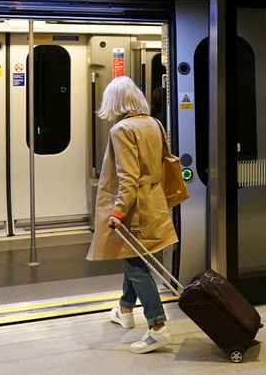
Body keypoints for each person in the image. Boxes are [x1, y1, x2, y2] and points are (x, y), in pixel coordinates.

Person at [86, 76, 178, 354]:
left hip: (134, 206)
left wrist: (117, 212)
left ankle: (158, 327)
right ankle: (125, 310)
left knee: (137, 266)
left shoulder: (122, 129)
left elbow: (128, 178)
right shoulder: (154, 123)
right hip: (155, 202)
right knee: (135, 257)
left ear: (114, 102)